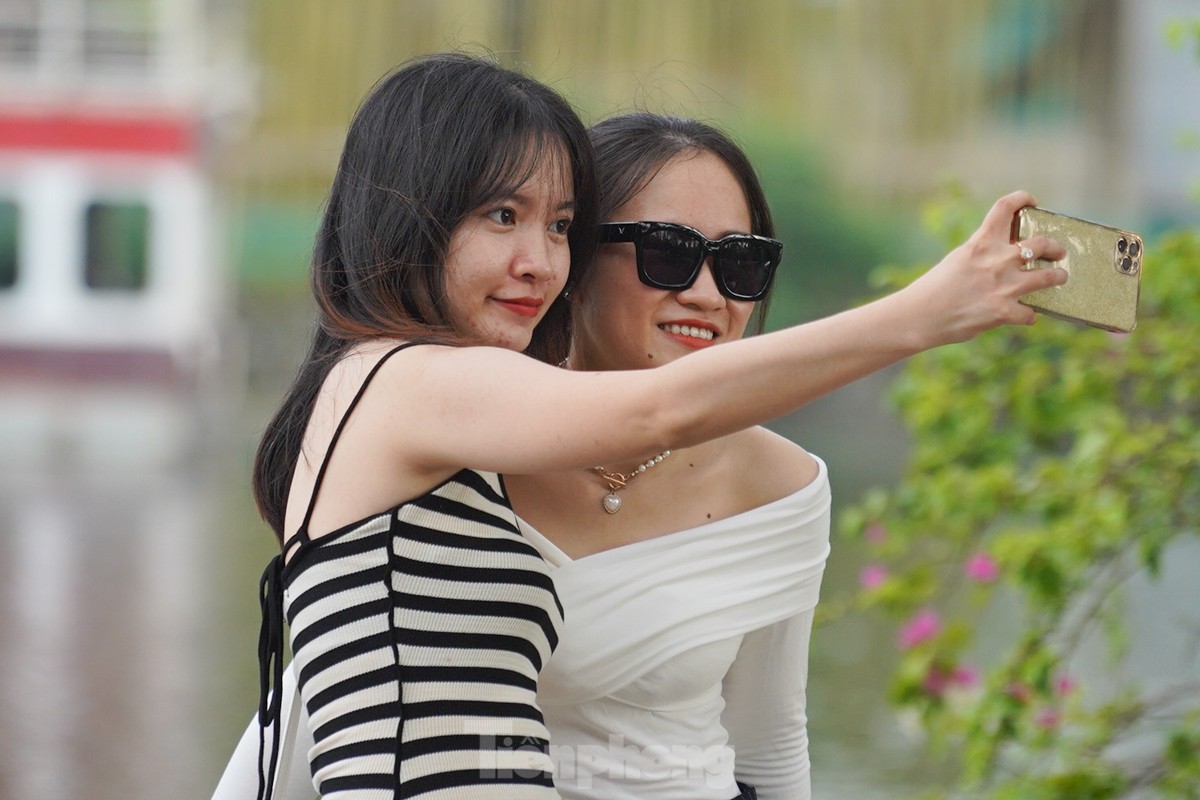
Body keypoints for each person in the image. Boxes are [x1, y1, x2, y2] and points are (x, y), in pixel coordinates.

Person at [219, 55, 1069, 800]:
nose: (539, 262)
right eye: (501, 217)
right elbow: (656, 411)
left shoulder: (439, 416)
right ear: (411, 216)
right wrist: (925, 311)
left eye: (558, 227)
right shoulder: (403, 381)